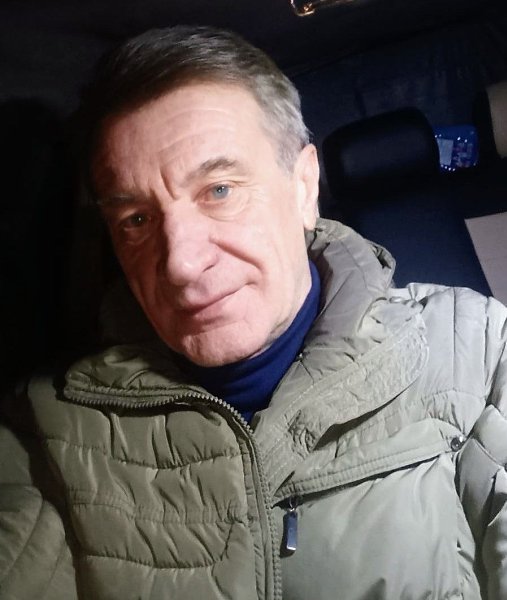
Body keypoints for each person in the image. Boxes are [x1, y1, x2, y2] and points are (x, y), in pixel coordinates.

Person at [1, 25, 507, 600]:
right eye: (136, 220)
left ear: (304, 187)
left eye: (219, 190)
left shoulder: (474, 349)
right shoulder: (49, 428)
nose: (181, 264)